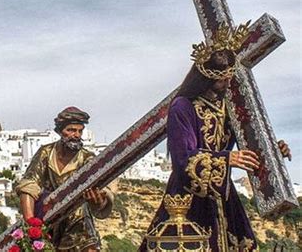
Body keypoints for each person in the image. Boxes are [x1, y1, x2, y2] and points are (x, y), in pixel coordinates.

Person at [139, 22, 291, 251]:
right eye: (222, 78)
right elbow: (182, 159)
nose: (227, 83)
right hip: (188, 199)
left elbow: (249, 144)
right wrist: (227, 159)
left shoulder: (229, 109)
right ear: (207, 78)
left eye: (229, 77)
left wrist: (273, 151)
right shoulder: (183, 107)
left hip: (224, 198)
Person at [16, 106, 114, 252]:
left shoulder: (87, 159)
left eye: (79, 131)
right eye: (71, 130)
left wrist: (99, 201)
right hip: (50, 222)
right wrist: (32, 227)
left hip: (79, 225)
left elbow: (101, 194)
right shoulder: (46, 153)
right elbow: (29, 186)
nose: (76, 135)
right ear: (60, 131)